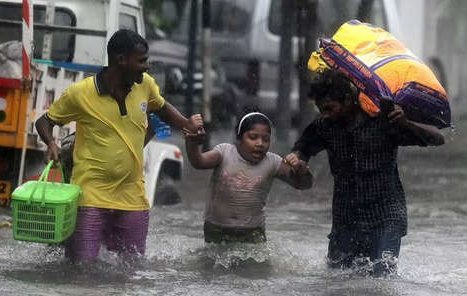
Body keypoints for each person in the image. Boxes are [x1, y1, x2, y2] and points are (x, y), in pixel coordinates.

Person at [35, 29, 203, 262]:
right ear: (121, 60)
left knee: (131, 271)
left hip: (132, 196)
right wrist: (51, 143)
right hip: (90, 196)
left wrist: (186, 124)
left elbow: (162, 107)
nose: (147, 66)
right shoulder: (81, 93)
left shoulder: (146, 85)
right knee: (81, 271)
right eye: (142, 60)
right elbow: (45, 121)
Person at [285, 68, 445, 276]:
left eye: (329, 108)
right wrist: (297, 159)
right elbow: (303, 148)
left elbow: (437, 139)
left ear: (348, 99)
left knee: (381, 280)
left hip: (385, 218)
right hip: (345, 220)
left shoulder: (384, 120)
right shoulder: (324, 126)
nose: (324, 114)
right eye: (320, 109)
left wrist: (406, 123)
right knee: (337, 281)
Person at [184, 107, 313, 244]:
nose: (260, 144)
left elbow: (303, 185)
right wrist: (191, 141)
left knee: (255, 265)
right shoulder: (224, 152)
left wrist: (302, 170)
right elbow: (198, 162)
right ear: (239, 138)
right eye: (253, 137)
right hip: (216, 229)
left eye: (266, 139)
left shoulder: (272, 162)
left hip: (252, 233)